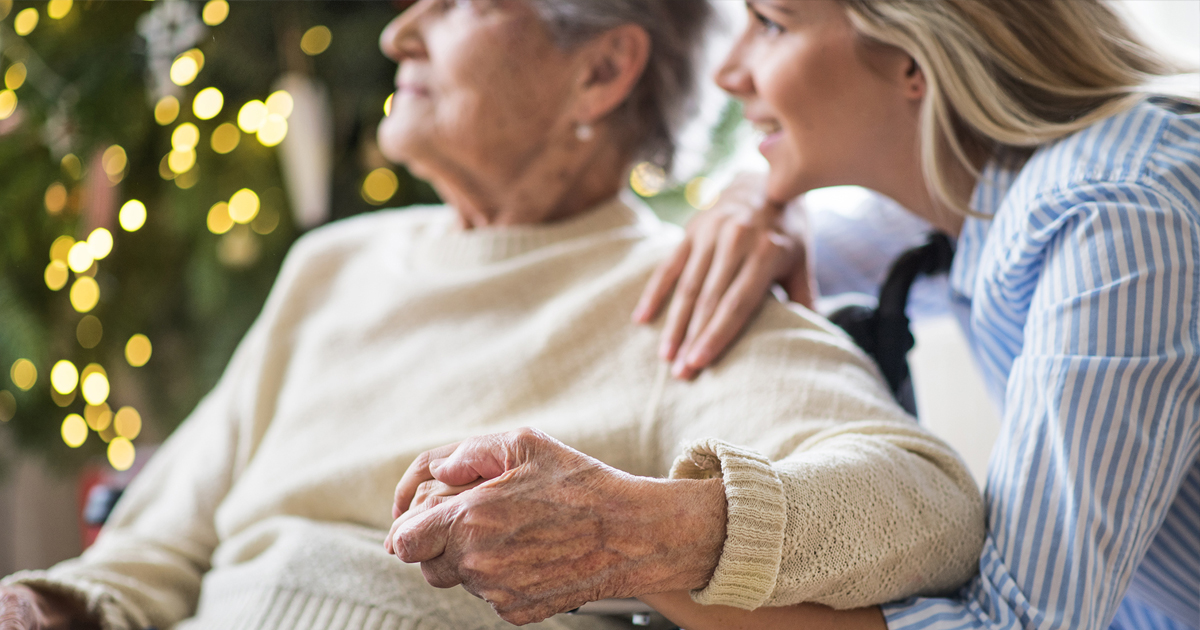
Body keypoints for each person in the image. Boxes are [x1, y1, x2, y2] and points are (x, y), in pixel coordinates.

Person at [0, 1, 987, 629]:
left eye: (461, 2)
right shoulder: (331, 266)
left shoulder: (679, 295)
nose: (399, 32)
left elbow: (927, 503)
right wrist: (45, 605)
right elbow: (148, 552)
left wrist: (639, 531)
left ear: (600, 72)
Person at [624, 1, 1200, 629]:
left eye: (771, 25)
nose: (728, 73)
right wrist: (765, 201)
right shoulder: (981, 187)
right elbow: (797, 243)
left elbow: (1014, 624)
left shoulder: (1115, 216)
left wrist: (629, 548)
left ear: (911, 61)